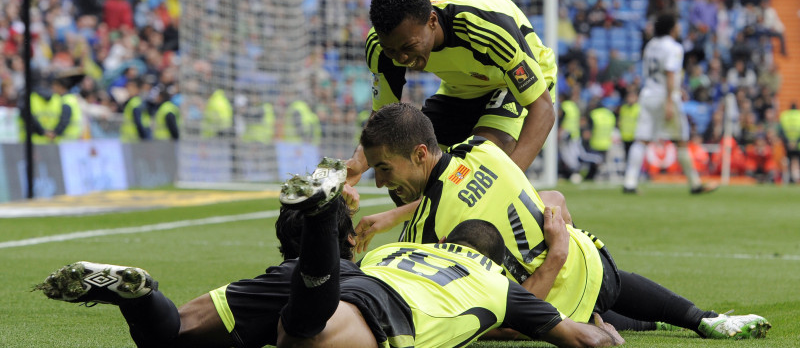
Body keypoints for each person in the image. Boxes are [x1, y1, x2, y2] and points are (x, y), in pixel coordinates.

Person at [37, 161, 623, 348]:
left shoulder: (389, 254)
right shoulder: (491, 283)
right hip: (363, 301)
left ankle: (141, 294)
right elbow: (570, 334)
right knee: (312, 327)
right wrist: (606, 336)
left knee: (177, 334)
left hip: (311, 276)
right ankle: (320, 218)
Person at [353, 102, 770, 340]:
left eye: (384, 168)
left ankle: (617, 322)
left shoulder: (426, 234)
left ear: (420, 154)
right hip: (590, 261)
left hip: (548, 309)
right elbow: (462, 191)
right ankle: (702, 318)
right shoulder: (482, 149)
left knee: (491, 318)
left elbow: (443, 209)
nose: (381, 180)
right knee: (613, 284)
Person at [345, 0, 557, 200]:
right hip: (462, 88)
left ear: (432, 21)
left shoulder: (484, 27)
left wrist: (505, 181)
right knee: (407, 175)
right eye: (392, 51)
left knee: (478, 171)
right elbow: (383, 119)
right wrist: (358, 162)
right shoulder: (379, 47)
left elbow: (542, 108)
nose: (401, 57)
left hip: (514, 83)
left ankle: (551, 211)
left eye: (408, 47)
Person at [621, 14, 718, 195]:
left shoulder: (650, 45)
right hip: (665, 96)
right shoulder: (673, 47)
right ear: (672, 28)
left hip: (648, 94)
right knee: (681, 140)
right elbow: (670, 72)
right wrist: (670, 99)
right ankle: (695, 184)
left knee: (641, 139)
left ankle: (629, 182)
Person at [779, 102, 800, 183]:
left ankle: (789, 178)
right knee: (797, 161)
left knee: (788, 161)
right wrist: (796, 142)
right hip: (798, 144)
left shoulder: (784, 116)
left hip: (787, 144)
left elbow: (781, 131)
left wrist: (788, 142)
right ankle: (797, 179)